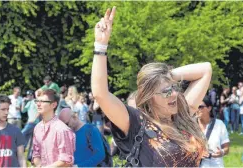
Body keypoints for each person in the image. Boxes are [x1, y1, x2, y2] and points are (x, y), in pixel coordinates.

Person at [91, 7, 212, 167]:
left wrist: (163, 76)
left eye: (174, 88)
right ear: (149, 97)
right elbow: (101, 94)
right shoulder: (136, 122)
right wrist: (100, 45)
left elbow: (205, 69)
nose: (174, 94)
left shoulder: (182, 116)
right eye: (165, 91)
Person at [32, 89, 75, 167]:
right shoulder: (37, 128)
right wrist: (39, 165)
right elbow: (36, 154)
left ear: (54, 105)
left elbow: (65, 161)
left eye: (42, 101)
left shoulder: (62, 130)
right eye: (37, 101)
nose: (38, 104)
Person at [0, 95, 26, 167]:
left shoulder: (16, 131)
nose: (6, 113)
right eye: (3, 109)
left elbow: (21, 158)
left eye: (8, 109)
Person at [198, 97, 230, 167]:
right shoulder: (191, 125)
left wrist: (222, 152)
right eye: (196, 107)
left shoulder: (219, 124)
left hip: (215, 165)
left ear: (209, 108)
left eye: (200, 107)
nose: (198, 109)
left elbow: (226, 148)